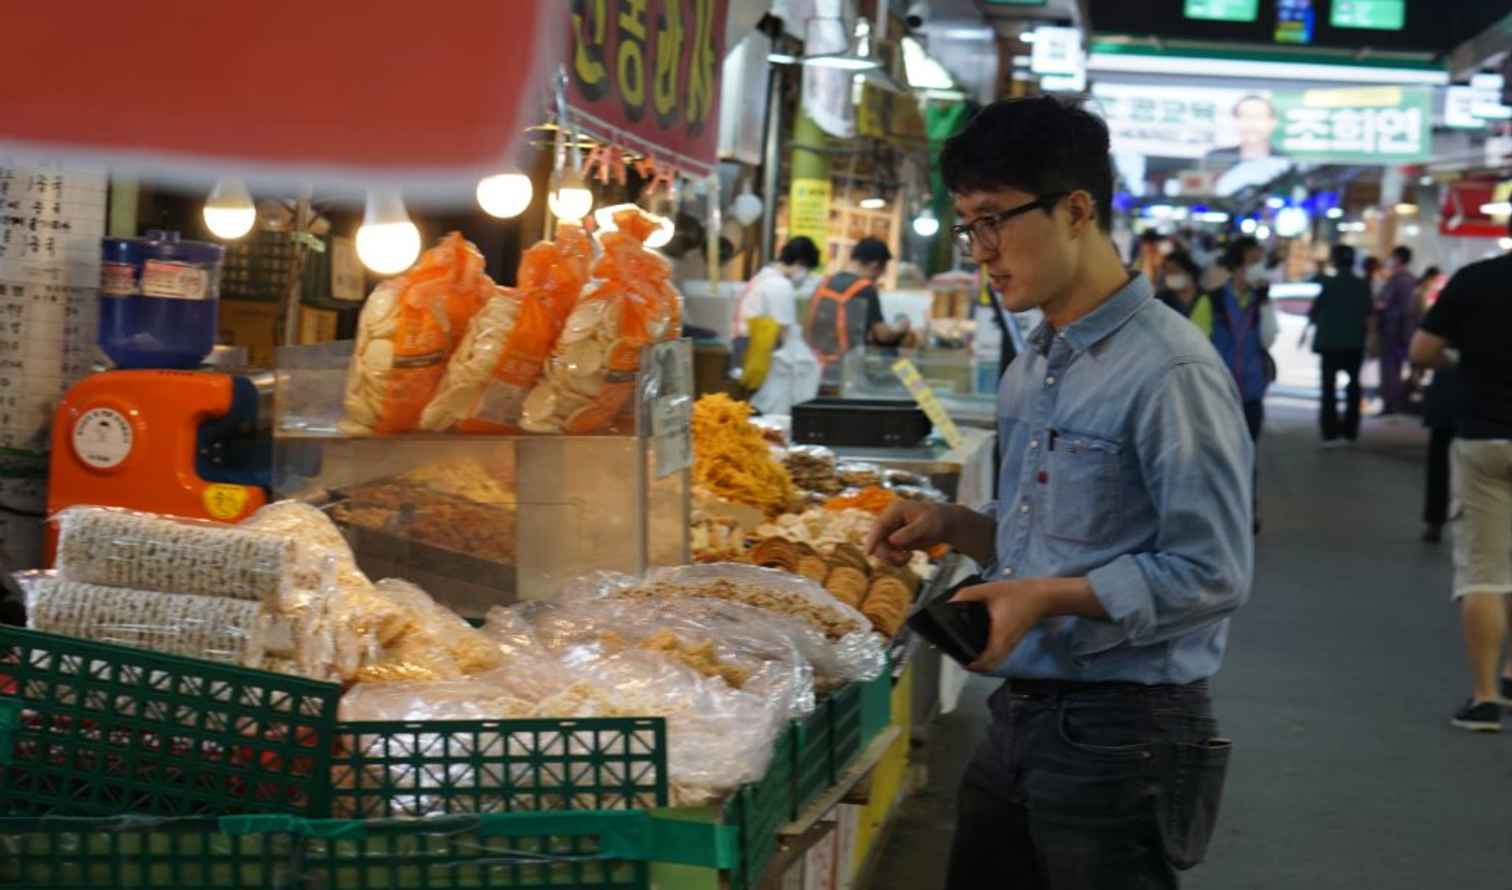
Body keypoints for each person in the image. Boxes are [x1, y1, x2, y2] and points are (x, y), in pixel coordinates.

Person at [868, 95, 1252, 888]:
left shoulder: (1169, 372)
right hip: (1023, 712)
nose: (981, 251)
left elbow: (1214, 572)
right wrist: (954, 524)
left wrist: (1045, 598)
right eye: (968, 227)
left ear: (1077, 210)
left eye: (993, 221)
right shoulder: (1035, 362)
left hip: (1129, 729)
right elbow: (1036, 529)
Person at [1409, 233, 1512, 732]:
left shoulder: (1475, 279)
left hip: (1485, 439)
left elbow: (1422, 351)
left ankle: (1486, 697)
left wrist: (1462, 360)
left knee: (1484, 572)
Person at [729, 236, 823, 415]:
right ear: (800, 263)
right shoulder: (779, 286)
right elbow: (785, 333)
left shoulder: (763, 277)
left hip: (744, 351)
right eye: (808, 269)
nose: (806, 276)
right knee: (770, 411)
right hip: (761, 355)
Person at [805, 237, 908, 389]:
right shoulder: (864, 289)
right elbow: (882, 334)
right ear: (875, 265)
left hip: (816, 367)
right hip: (847, 371)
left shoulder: (825, 282)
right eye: (881, 271)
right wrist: (901, 327)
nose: (878, 277)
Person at [1308, 244, 1372, 446]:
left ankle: (1330, 432)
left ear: (1334, 261)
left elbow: (1314, 312)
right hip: (1355, 343)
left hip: (1329, 344)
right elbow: (1369, 313)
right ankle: (1350, 432)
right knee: (1354, 388)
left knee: (1329, 388)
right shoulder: (1363, 285)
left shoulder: (1327, 283)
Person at [1421, 364, 1467, 543]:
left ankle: (1434, 520)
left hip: (1450, 385)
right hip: (1491, 394)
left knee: (1439, 458)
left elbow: (1421, 351)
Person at [1378, 246, 1417, 414]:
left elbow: (1384, 303)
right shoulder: (1409, 279)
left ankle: (1391, 405)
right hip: (1402, 331)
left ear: (1398, 259)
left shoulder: (1399, 279)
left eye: (1392, 257)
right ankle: (1393, 404)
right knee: (1395, 369)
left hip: (1393, 330)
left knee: (1390, 370)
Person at [1154, 249, 1202, 317]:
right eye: (1167, 272)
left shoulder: (1206, 299)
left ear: (1188, 272)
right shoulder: (1161, 301)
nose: (1170, 276)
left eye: (1174, 270)